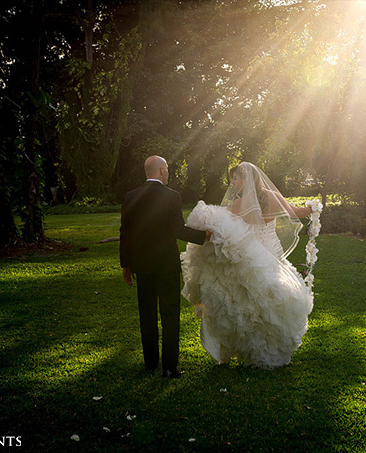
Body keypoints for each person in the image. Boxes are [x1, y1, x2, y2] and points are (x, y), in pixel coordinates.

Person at [181, 162, 314, 369]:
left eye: (235, 178)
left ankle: (252, 348)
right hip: (272, 250)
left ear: (246, 179)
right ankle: (271, 347)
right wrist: (312, 207)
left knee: (248, 301)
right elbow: (296, 213)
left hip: (252, 253)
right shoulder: (274, 196)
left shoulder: (237, 204)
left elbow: (229, 233)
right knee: (272, 298)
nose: (232, 183)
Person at [120, 155, 210, 378]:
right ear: (161, 171)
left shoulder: (130, 197)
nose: (168, 172)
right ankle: (169, 367)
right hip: (166, 266)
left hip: (142, 265)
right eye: (167, 169)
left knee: (147, 314)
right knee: (170, 315)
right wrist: (204, 235)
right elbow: (178, 230)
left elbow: (126, 233)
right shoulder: (171, 196)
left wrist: (126, 265)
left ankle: (150, 363)